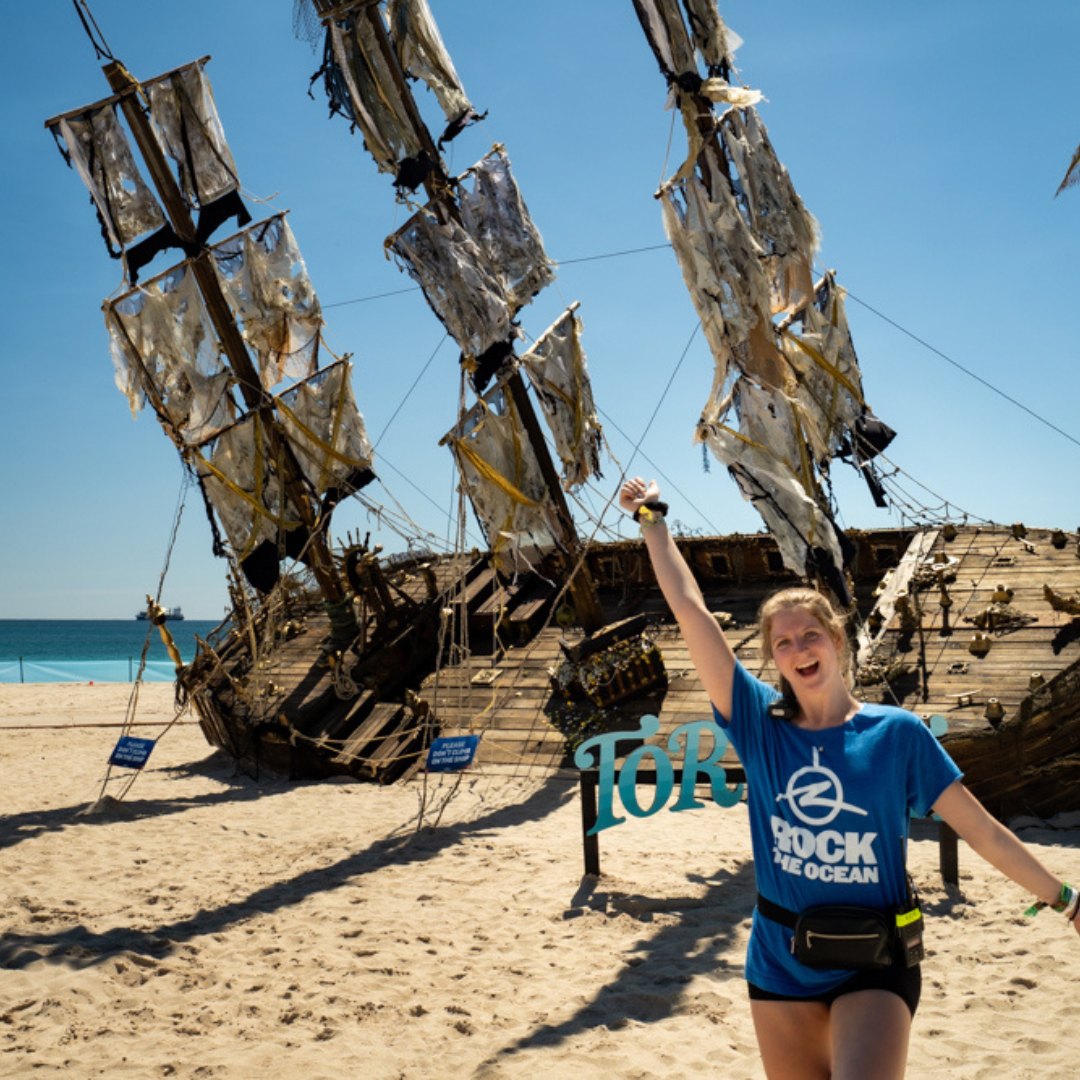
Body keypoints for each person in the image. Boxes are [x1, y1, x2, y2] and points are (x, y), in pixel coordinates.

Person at [618, 476, 1079, 1080]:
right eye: (782, 643)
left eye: (811, 634)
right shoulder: (759, 724)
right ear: (773, 659)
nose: (799, 648)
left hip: (876, 957)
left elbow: (984, 832)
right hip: (780, 961)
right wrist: (652, 518)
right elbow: (689, 608)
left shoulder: (896, 734)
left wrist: (1067, 901)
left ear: (836, 640)